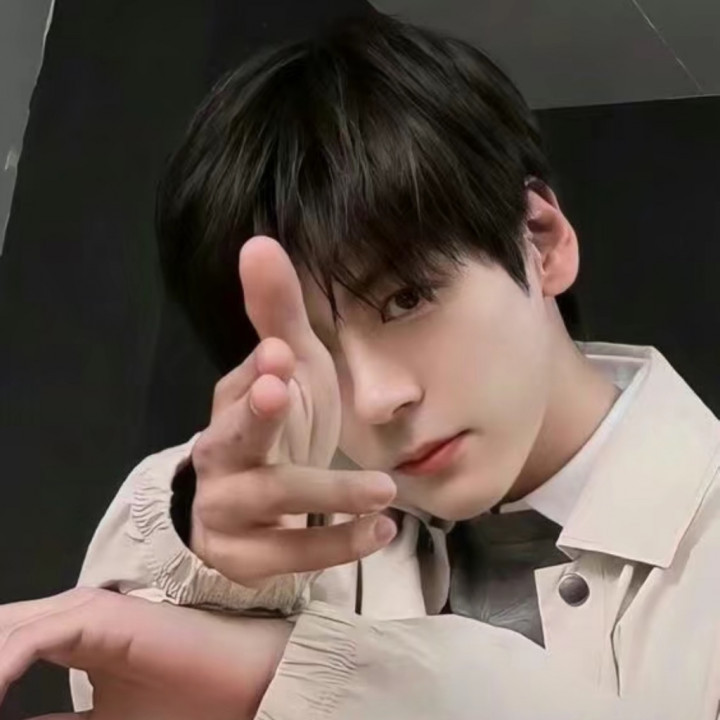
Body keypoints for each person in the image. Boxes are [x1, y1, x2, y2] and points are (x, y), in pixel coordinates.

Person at [1, 12, 719, 720]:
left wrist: (284, 673)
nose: (375, 399)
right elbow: (112, 685)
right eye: (314, 348)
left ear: (542, 240)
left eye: (407, 298)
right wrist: (212, 570)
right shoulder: (275, 507)